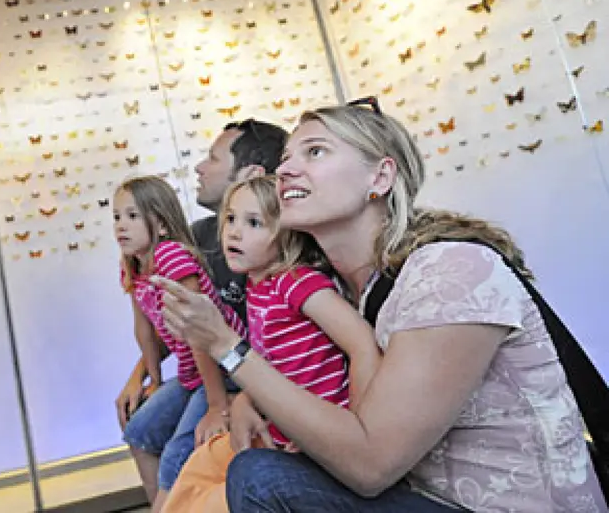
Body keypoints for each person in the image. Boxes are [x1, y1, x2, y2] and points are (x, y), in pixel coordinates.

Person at [153, 97, 608, 511]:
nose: (287, 168)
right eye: (287, 156)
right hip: (421, 493)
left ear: (381, 177)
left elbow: (371, 464)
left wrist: (227, 348)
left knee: (259, 478)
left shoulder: (449, 271)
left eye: (314, 152)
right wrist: (253, 394)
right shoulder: (351, 288)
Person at [161, 175, 381, 513]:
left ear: (285, 235)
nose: (233, 232)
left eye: (253, 223)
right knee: (195, 467)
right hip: (280, 427)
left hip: (314, 438)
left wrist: (355, 425)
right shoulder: (257, 286)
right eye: (230, 218)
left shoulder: (295, 281)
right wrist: (244, 402)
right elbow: (270, 360)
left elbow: (362, 343)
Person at [115, 119, 289, 425]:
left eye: (213, 158)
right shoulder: (197, 236)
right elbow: (172, 323)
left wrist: (225, 402)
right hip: (206, 368)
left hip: (243, 369)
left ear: (251, 175)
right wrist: (140, 376)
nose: (199, 167)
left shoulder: (283, 248)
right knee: (141, 423)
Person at [113, 175, 246, 512]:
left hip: (220, 366)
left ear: (158, 221)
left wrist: (217, 404)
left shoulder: (171, 257)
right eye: (116, 217)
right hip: (193, 375)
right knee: (139, 431)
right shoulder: (133, 264)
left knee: (176, 453)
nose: (121, 226)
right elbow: (144, 329)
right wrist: (153, 380)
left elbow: (199, 332)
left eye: (132, 216)